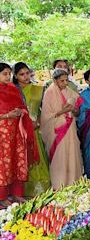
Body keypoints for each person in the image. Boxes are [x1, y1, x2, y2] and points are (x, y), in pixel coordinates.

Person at [0, 63, 39, 207]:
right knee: (3, 165)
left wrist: (20, 112)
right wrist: (7, 115)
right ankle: (2, 197)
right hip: (2, 136)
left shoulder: (12, 88)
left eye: (9, 73)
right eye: (4, 73)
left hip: (16, 132)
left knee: (17, 161)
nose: (8, 76)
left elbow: (23, 107)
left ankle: (16, 194)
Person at [13, 62, 51, 196]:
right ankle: (21, 191)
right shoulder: (12, 90)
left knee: (38, 157)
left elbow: (44, 110)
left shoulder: (38, 89)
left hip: (34, 129)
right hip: (18, 131)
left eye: (27, 73)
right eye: (21, 74)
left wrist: (39, 122)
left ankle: (41, 189)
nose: (25, 76)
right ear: (16, 76)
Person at [40, 69, 83, 189]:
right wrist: (63, 111)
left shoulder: (70, 92)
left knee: (72, 153)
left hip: (70, 128)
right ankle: (59, 184)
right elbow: (46, 116)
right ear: (55, 81)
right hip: (57, 130)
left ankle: (73, 182)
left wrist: (74, 110)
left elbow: (77, 112)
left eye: (66, 80)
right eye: (62, 81)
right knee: (60, 155)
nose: (65, 83)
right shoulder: (49, 93)